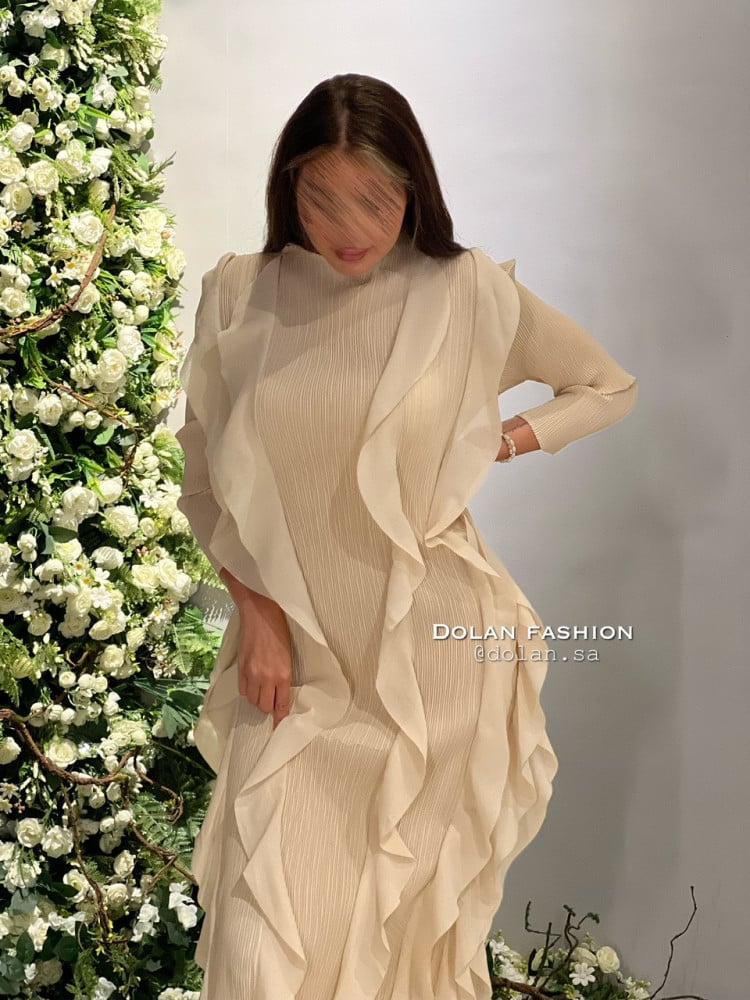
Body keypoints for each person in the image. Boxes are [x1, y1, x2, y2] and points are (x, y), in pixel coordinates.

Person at [175, 72, 637, 1000]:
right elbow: (205, 482)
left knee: (401, 950)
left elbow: (606, 385)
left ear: (414, 188)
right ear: (288, 187)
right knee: (262, 950)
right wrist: (256, 615)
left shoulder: (465, 291)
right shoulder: (240, 293)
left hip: (434, 672)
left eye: (376, 200)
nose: (348, 226)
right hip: (292, 667)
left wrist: (503, 436)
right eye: (321, 197)